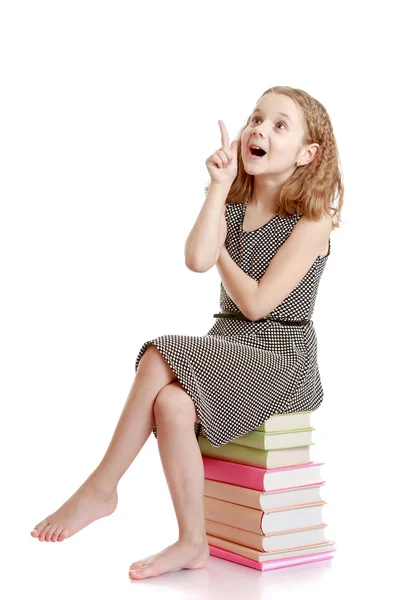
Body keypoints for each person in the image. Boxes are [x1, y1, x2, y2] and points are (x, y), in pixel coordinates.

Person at [30, 86, 343, 580]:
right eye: (256, 118)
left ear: (308, 154)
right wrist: (218, 190)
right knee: (171, 404)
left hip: (284, 359)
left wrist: (219, 245)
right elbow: (196, 260)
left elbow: (258, 305)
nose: (259, 129)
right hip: (227, 347)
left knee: (160, 353)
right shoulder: (233, 204)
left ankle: (102, 487)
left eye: (280, 125)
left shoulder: (312, 219)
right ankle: (192, 541)